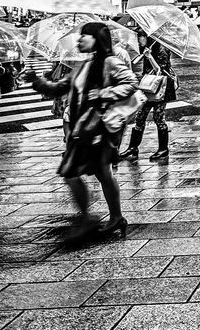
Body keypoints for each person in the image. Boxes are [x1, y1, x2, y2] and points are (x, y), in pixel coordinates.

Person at [29, 22, 138, 240]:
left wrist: (104, 93)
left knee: (71, 171)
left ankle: (88, 218)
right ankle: (115, 217)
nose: (79, 40)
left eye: (84, 36)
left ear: (97, 39)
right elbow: (59, 88)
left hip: (96, 129)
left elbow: (131, 82)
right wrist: (37, 82)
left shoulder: (110, 62)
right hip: (83, 128)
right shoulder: (83, 65)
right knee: (102, 172)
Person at [122, 34, 176, 162]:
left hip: (161, 88)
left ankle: (163, 149)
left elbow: (160, 71)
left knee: (159, 116)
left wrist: (149, 57)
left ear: (147, 37)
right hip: (148, 87)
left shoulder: (162, 49)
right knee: (140, 116)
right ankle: (133, 147)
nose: (139, 40)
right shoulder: (146, 48)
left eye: (140, 37)